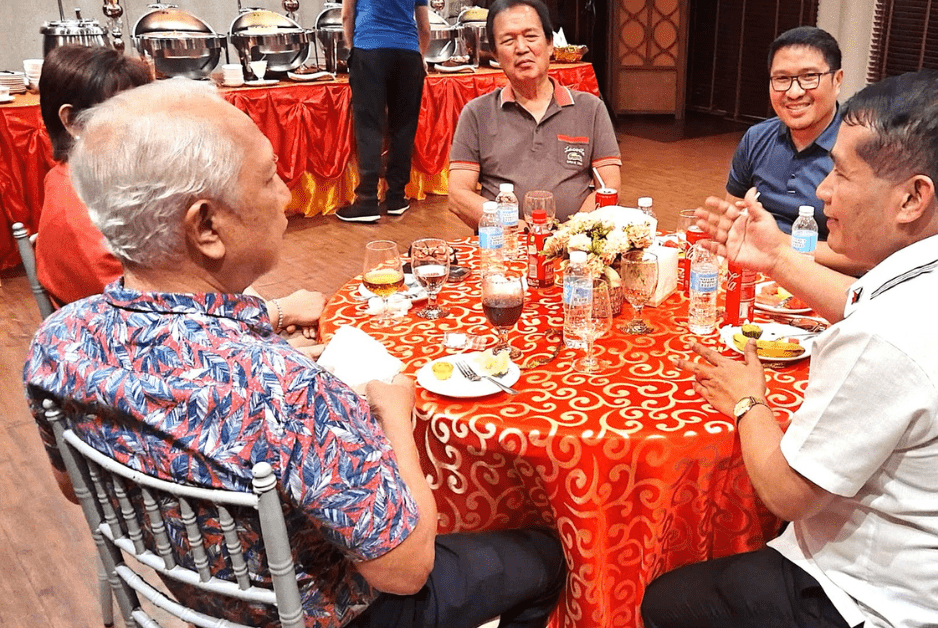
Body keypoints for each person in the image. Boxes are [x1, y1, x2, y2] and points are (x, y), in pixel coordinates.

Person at [24, 79, 566, 628]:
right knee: (545, 555)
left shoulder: (58, 342)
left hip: (194, 601)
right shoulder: (285, 388)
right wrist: (395, 416)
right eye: (268, 178)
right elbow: (406, 571)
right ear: (207, 226)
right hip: (333, 614)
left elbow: (75, 487)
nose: (286, 195)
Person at [641, 71, 938, 628]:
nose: (822, 190)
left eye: (841, 172)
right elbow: (862, 302)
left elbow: (788, 494)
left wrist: (748, 402)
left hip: (889, 603)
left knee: (666, 599)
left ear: (913, 197)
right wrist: (775, 259)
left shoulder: (893, 335)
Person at [32, 46, 328, 346]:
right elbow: (159, 328)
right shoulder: (88, 216)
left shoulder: (80, 184)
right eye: (128, 113)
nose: (155, 126)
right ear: (72, 121)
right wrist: (278, 313)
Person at [447, 0, 621, 227]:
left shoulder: (591, 109)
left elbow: (610, 185)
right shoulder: (477, 113)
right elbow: (458, 195)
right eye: (508, 40)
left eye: (530, 36)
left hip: (575, 246)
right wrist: (517, 229)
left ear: (550, 44)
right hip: (502, 246)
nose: (521, 48)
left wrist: (570, 233)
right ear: (496, 55)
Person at [34, 44, 150, 305]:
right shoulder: (81, 213)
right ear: (73, 121)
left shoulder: (69, 176)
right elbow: (144, 307)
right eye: (122, 110)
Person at [726, 26, 842, 240]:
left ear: (837, 80)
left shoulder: (860, 148)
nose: (794, 92)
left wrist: (780, 247)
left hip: (820, 270)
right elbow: (733, 215)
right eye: (781, 79)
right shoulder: (756, 138)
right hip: (756, 264)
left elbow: (863, 258)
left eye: (809, 76)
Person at [335, 0, 431, 223]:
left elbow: (347, 16)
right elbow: (424, 27)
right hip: (408, 54)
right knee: (404, 127)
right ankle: (396, 197)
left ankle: (367, 199)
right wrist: (420, 56)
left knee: (369, 125)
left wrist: (353, 49)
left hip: (369, 49)